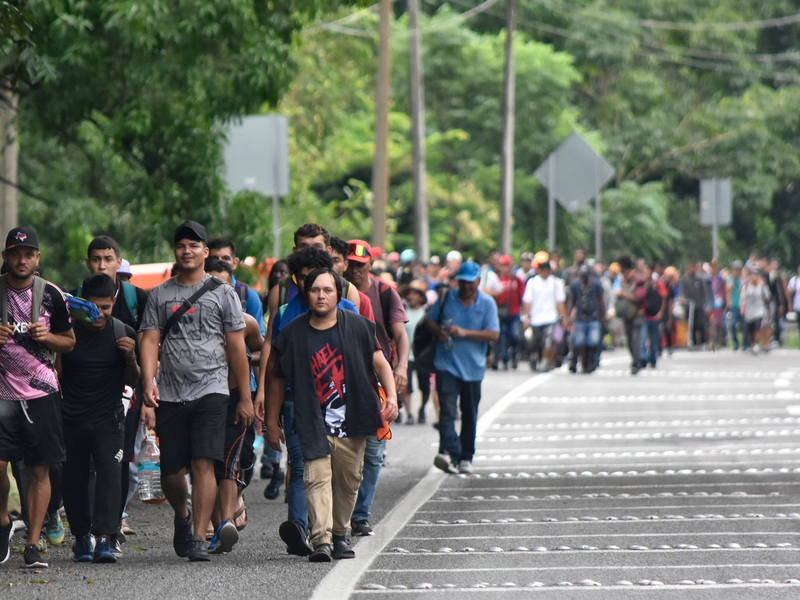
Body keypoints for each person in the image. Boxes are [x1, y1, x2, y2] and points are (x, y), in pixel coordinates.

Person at [260, 268, 398, 562]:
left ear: (338, 295)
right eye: (315, 290)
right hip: (311, 420)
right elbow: (276, 378)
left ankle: (340, 534)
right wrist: (272, 422)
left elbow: (380, 362)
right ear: (306, 294)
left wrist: (392, 397)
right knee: (315, 478)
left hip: (354, 420)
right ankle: (321, 540)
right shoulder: (294, 332)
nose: (321, 295)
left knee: (348, 482)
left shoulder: (359, 326)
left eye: (327, 290)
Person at [139, 220, 252, 562]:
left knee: (205, 461)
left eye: (194, 245)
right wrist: (148, 382)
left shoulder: (223, 293)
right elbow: (149, 339)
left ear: (205, 252)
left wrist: (245, 396)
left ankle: (200, 535)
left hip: (213, 391)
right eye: (181, 245)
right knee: (172, 471)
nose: (187, 251)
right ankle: (183, 515)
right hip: (171, 393)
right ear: (175, 252)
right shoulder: (160, 294)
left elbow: (236, 348)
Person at [257, 246, 359, 557]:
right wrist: (270, 415)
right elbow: (274, 365)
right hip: (296, 402)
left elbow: (368, 360)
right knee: (306, 467)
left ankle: (339, 531)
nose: (311, 288)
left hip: (340, 408)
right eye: (303, 280)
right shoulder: (288, 312)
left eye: (320, 284)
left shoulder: (348, 312)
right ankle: (309, 531)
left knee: (345, 475)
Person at [0, 226, 75, 568]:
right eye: (15, 253)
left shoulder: (52, 295)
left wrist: (47, 337)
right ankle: (3, 520)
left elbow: (70, 342)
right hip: (2, 395)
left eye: (28, 254)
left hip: (42, 393)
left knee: (38, 468)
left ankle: (32, 542)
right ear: (6, 257)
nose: (22, 260)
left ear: (37, 258)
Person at [57, 273, 139, 564]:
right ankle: (81, 539)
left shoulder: (122, 331)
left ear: (113, 303)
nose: (99, 314)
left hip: (109, 418)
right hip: (72, 417)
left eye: (105, 307)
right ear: (82, 304)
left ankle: (105, 538)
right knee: (74, 478)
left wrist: (130, 358)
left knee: (109, 471)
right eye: (93, 307)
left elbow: (133, 380)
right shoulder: (68, 333)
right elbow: (57, 375)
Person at [76, 235, 149, 546]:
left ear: (119, 263)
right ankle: (87, 531)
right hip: (78, 400)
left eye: (108, 259)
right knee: (81, 466)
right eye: (96, 259)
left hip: (124, 396)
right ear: (88, 262)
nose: (101, 265)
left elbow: (150, 348)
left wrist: (148, 394)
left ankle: (111, 528)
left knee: (116, 461)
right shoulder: (73, 301)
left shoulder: (138, 299)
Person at [344, 239, 409, 537]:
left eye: (361, 265)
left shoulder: (384, 293)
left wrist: (401, 368)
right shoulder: (333, 290)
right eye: (351, 265)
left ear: (371, 264)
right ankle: (336, 514)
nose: (355, 271)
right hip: (340, 378)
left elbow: (400, 334)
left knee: (373, 453)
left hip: (376, 380)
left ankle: (360, 514)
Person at [203, 259, 264, 554]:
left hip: (234, 397)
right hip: (199, 399)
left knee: (229, 462)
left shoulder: (246, 321)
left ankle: (224, 522)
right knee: (205, 464)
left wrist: (252, 392)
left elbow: (263, 352)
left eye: (223, 284)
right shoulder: (192, 320)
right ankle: (212, 523)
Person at [426, 262, 498, 474]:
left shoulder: (487, 303)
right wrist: (439, 331)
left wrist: (465, 333)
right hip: (446, 363)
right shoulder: (447, 297)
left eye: (471, 282)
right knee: (446, 411)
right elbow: (429, 320)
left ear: (478, 281)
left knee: (469, 413)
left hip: (473, 367)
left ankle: (465, 455)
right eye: (463, 282)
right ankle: (451, 452)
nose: (467, 286)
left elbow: (494, 334)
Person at [208, 237, 265, 335]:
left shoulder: (247, 295)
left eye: (225, 258)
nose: (220, 262)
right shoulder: (196, 290)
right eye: (214, 259)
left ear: (235, 263)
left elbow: (258, 339)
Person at [521, 257, 567, 372]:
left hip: (550, 317)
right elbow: (527, 301)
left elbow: (560, 301)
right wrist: (527, 317)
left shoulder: (556, 283)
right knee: (535, 341)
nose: (544, 273)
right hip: (536, 318)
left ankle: (545, 362)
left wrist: (564, 317)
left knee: (548, 341)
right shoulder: (532, 282)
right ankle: (534, 357)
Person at [402, 279, 432, 424]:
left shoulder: (426, 314)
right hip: (406, 355)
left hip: (422, 355)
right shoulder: (402, 311)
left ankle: (422, 408)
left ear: (421, 297)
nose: (412, 297)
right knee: (405, 385)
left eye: (416, 294)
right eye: (410, 293)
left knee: (425, 386)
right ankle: (409, 413)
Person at [568, 264, 605, 374]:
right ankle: (584, 363)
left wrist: (603, 316)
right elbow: (571, 300)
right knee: (580, 342)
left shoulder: (596, 284)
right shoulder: (575, 285)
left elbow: (600, 300)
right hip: (580, 317)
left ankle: (591, 360)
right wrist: (570, 315)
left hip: (593, 316)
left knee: (593, 341)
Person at [615, 255, 646, 374]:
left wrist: (623, 294)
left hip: (637, 313)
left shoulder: (637, 279)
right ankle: (634, 359)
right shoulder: (624, 279)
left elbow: (639, 296)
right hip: (627, 314)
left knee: (635, 339)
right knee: (629, 339)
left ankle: (636, 362)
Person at [494, 255, 524, 371]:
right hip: (499, 313)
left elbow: (522, 296)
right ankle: (503, 358)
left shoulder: (517, 280)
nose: (505, 268)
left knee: (514, 335)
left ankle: (514, 354)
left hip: (514, 312)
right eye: (502, 265)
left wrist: (525, 314)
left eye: (507, 265)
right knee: (500, 336)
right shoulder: (496, 280)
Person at [640, 261, 667, 368]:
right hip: (644, 316)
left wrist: (661, 312)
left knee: (654, 339)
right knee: (643, 339)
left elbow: (664, 298)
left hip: (655, 316)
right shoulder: (641, 284)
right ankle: (643, 358)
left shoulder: (658, 284)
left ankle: (652, 359)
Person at [679, 260, 710, 349]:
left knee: (700, 324)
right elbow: (682, 292)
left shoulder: (699, 279)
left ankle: (703, 342)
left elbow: (703, 293)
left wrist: (705, 304)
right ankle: (693, 342)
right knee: (691, 324)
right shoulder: (684, 280)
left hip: (699, 305)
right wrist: (683, 299)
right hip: (689, 306)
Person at [741, 268, 771, 355]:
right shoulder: (746, 287)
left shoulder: (762, 286)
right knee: (750, 330)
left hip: (759, 310)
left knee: (757, 328)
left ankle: (757, 344)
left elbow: (768, 297)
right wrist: (742, 307)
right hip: (749, 312)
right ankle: (752, 344)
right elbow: (742, 298)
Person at [727, 261, 745, 350]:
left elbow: (742, 291)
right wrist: (734, 279)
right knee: (732, 324)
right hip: (733, 305)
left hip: (742, 305)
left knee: (744, 326)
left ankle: (745, 343)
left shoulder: (743, 279)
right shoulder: (730, 278)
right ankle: (735, 342)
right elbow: (728, 289)